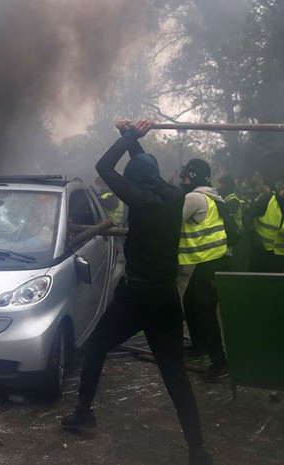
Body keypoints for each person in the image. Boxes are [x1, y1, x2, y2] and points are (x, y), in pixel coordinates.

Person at [61, 120, 213, 465]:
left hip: (137, 295)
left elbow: (103, 168)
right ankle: (197, 449)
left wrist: (130, 136)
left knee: (98, 344)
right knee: (174, 371)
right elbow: (145, 169)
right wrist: (132, 140)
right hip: (166, 297)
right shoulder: (175, 196)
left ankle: (84, 412)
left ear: (133, 181)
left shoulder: (139, 200)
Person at [179, 160, 231, 381]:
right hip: (214, 261)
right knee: (192, 304)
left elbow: (170, 221)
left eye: (185, 177)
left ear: (194, 176)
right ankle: (200, 347)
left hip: (208, 263)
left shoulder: (194, 198)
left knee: (205, 312)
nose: (182, 181)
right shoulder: (213, 197)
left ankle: (220, 363)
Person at [217, 174, 248, 270]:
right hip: (232, 236)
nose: (220, 187)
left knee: (235, 263)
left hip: (236, 238)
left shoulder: (232, 201)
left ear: (227, 186)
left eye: (222, 185)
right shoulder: (227, 200)